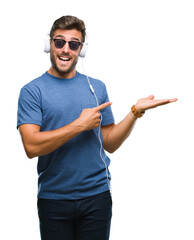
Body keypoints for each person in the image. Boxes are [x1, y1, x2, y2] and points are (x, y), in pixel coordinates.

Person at [17, 15, 177, 240]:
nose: (65, 49)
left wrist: (135, 113)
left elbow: (109, 143)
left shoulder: (96, 87)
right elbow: (31, 146)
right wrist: (78, 126)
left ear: (80, 49)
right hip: (54, 199)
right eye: (59, 42)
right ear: (49, 44)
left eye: (73, 44)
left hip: (97, 197)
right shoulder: (32, 91)